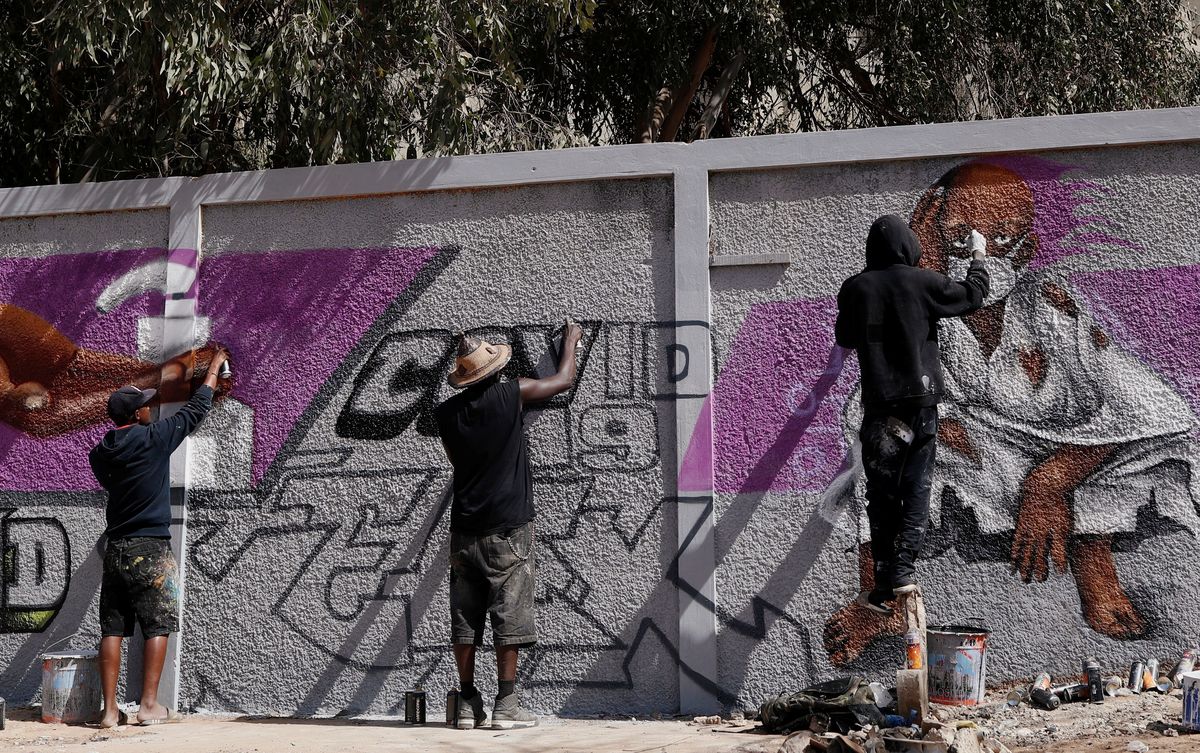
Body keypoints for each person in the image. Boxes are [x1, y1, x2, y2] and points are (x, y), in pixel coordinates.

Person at [834, 215, 989, 613]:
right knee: (917, 485)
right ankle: (903, 569)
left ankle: (884, 580)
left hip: (882, 411)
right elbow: (973, 296)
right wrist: (977, 254)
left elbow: (845, 337)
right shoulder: (923, 282)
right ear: (908, 246)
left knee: (882, 494)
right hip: (920, 405)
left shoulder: (856, 288)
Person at [435, 321, 582, 730]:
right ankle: (507, 703)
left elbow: (456, 461)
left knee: (465, 617)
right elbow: (563, 381)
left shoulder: (446, 414)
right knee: (509, 612)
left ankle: (467, 703)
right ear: (494, 370)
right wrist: (570, 341)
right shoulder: (511, 393)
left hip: (464, 528)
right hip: (508, 527)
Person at [88, 348, 229, 728]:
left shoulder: (100, 453)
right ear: (136, 415)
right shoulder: (153, 439)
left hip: (116, 548)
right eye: (146, 406)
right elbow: (195, 411)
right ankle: (149, 706)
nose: (151, 409)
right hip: (150, 546)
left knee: (112, 629)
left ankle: (110, 711)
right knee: (158, 624)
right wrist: (214, 369)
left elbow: (110, 482)